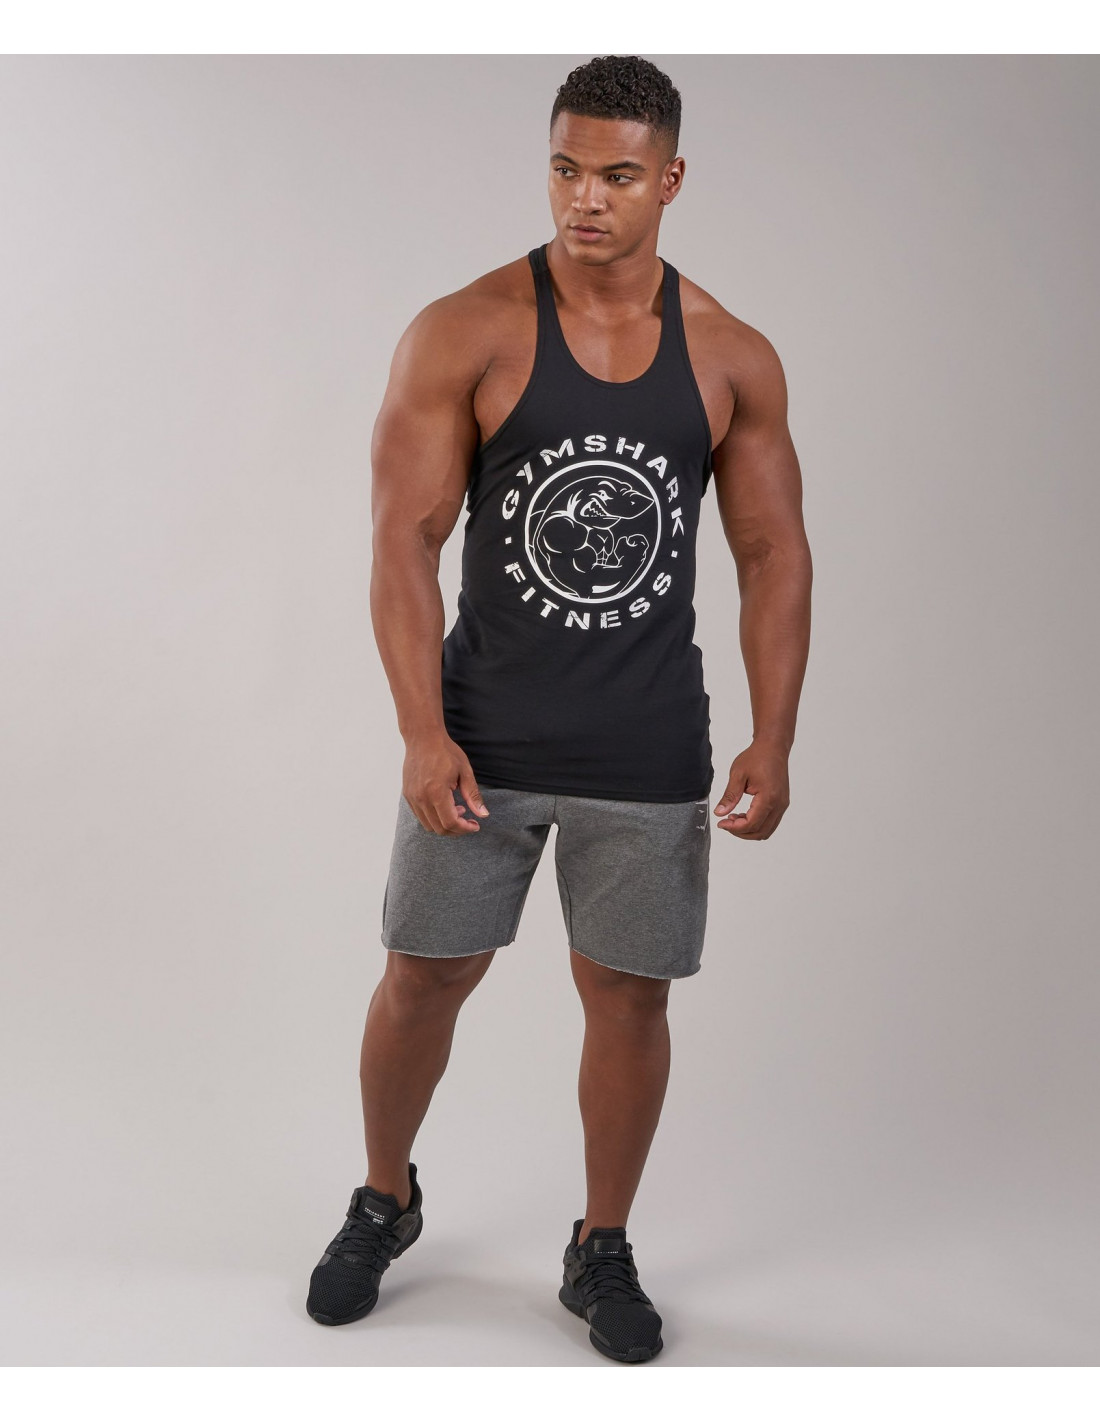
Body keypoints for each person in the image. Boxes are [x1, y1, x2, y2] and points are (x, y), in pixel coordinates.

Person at [306, 54, 812, 1364]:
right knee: (422, 976)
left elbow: (773, 553)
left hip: (648, 746)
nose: (588, 198)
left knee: (628, 1000)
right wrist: (422, 729)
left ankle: (602, 1243)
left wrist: (774, 734)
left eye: (619, 176)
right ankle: (384, 1195)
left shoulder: (731, 354)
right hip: (482, 738)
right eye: (567, 169)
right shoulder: (466, 330)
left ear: (672, 180)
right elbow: (403, 540)